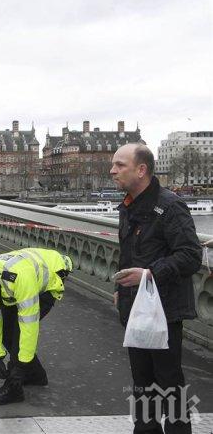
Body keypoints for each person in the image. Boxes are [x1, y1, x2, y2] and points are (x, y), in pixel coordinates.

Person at [111, 143, 201, 434]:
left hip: (164, 310)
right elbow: (129, 254)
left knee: (169, 382)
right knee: (141, 383)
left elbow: (190, 255)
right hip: (135, 306)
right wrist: (122, 289)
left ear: (141, 170)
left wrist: (149, 274)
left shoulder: (171, 206)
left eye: (120, 165)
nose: (113, 170)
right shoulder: (129, 206)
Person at [0, 249, 72, 405]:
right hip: (19, 282)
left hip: (51, 277)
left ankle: (14, 389)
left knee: (18, 334)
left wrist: (18, 368)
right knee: (7, 333)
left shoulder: (18, 277)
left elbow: (29, 327)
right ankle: (36, 376)